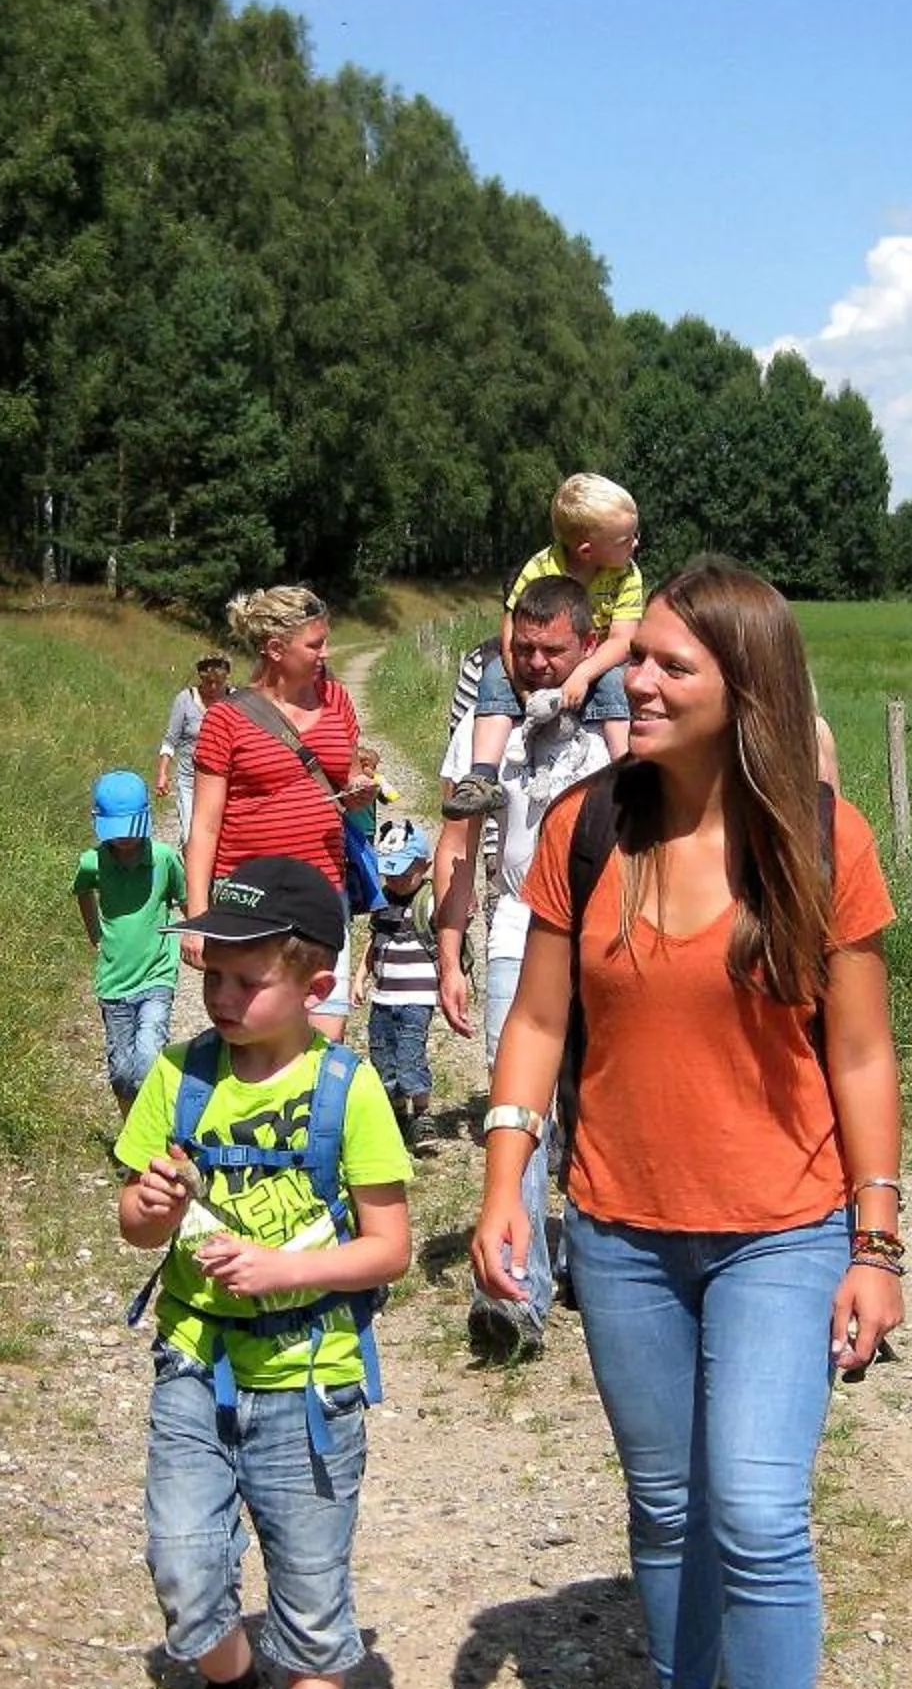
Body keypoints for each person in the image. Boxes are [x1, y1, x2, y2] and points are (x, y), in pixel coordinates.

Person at [469, 557, 905, 1689]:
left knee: (757, 1512)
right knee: (665, 1504)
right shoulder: (588, 826)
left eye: (666, 667)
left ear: (745, 690)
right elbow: (536, 1026)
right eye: (632, 659)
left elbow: (862, 1051)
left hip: (786, 1225)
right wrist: (504, 1180)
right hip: (624, 1222)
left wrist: (878, 1239)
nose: (631, 682)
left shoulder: (820, 842)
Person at [116, 857, 415, 1689]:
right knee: (185, 1568)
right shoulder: (179, 1076)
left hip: (309, 1381)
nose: (229, 1001)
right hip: (195, 1367)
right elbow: (131, 1221)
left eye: (253, 982)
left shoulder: (349, 1089)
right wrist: (148, 1209)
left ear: (315, 984)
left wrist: (289, 1268)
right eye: (216, 979)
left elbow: (389, 1246)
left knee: (310, 1584)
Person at [430, 574, 616, 1359]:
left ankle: (598, 1260)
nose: (538, 663)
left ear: (587, 644)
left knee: (602, 1106)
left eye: (555, 650)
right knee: (517, 1104)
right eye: (526, 650)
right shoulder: (486, 725)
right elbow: (459, 835)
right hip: (517, 924)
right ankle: (512, 1290)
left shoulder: (622, 718)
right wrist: (448, 944)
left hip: (609, 931)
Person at [188, 584, 372, 1039]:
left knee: (326, 1034)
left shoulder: (338, 700)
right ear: (275, 648)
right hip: (249, 897)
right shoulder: (226, 718)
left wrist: (359, 792)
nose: (325, 653)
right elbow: (205, 825)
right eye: (315, 644)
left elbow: (346, 781)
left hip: (323, 889)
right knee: (257, 1034)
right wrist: (197, 919)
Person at [442, 473, 642, 817]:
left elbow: (624, 639)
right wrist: (517, 679)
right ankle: (482, 775)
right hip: (541, 661)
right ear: (587, 550)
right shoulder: (540, 566)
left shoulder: (627, 574)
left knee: (616, 683)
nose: (635, 544)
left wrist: (582, 674)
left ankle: (627, 767)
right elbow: (511, 625)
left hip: (599, 659)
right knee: (493, 676)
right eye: (626, 539)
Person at [74, 768, 187, 1116]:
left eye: (130, 830)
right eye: (116, 831)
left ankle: (157, 1134)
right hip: (113, 982)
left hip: (157, 975)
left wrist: (199, 934)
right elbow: (83, 893)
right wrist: (94, 932)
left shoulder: (164, 858)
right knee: (122, 1074)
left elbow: (185, 898)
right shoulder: (92, 862)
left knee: (149, 1059)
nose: (124, 839)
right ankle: (132, 1136)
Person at [352, 821, 439, 1146]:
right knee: (382, 1056)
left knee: (410, 1057)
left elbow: (449, 934)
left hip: (418, 998)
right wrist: (360, 977)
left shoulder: (429, 901)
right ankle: (397, 1112)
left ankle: (422, 1115)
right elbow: (375, 942)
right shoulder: (382, 901)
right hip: (383, 997)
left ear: (424, 866)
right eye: (390, 873)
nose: (397, 881)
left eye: (404, 873)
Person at [155, 653, 231, 841]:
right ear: (201, 678)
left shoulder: (235, 699)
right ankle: (189, 869)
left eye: (218, 683)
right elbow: (171, 739)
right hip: (189, 778)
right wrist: (163, 773)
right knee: (191, 836)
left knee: (220, 837)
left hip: (225, 780)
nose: (213, 688)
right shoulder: (185, 699)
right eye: (208, 683)